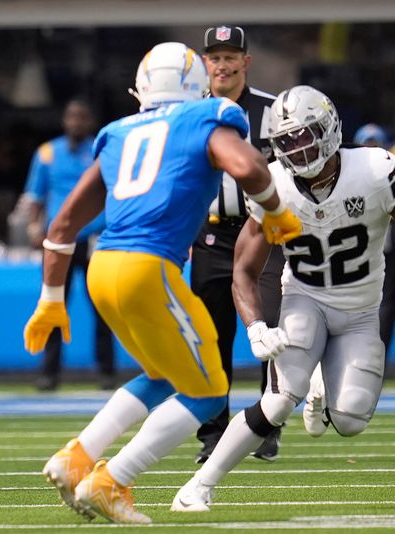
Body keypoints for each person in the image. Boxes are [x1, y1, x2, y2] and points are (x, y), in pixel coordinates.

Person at [23, 42, 301, 524]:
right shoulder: (206, 116)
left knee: (162, 376)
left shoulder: (117, 131)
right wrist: (276, 212)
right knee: (209, 391)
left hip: (103, 267)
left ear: (144, 89)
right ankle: (113, 480)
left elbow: (62, 226)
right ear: (196, 85)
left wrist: (50, 298)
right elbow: (250, 168)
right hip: (149, 268)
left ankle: (77, 458)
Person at [172, 86, 392, 512]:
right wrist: (255, 325)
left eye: (304, 136)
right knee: (277, 400)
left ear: (328, 129)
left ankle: (322, 384)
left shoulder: (376, 169)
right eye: (286, 140)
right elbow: (244, 270)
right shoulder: (274, 183)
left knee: (350, 420)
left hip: (362, 312)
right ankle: (199, 486)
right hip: (304, 298)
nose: (296, 149)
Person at [191, 25, 286, 464]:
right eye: (215, 57)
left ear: (246, 61)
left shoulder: (273, 111)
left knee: (267, 326)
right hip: (209, 235)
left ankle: (266, 425)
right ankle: (212, 435)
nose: (223, 65)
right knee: (211, 335)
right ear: (204, 62)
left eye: (231, 56)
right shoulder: (189, 112)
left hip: (264, 232)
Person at [21, 99, 115, 391]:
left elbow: (115, 192)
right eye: (71, 117)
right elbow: (35, 196)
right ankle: (49, 373)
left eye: (82, 117)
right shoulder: (48, 153)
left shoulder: (102, 151)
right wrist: (34, 229)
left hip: (94, 239)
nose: (76, 122)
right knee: (53, 302)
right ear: (64, 121)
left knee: (102, 306)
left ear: (90, 122)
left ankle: (107, 372)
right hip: (59, 239)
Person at [353, 124, 395, 366]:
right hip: (360, 253)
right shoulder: (347, 174)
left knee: (384, 304)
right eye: (366, 144)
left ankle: (374, 359)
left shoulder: (388, 168)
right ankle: (368, 360)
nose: (370, 150)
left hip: (385, 247)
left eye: (374, 144)